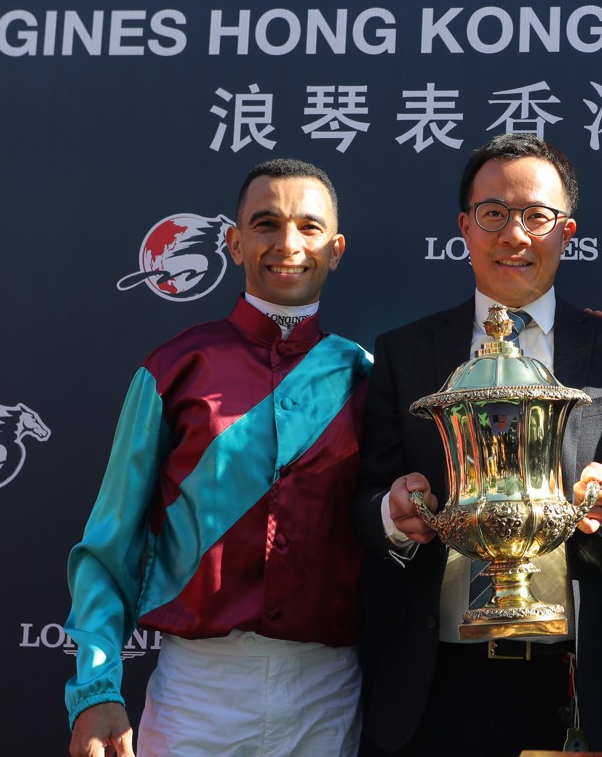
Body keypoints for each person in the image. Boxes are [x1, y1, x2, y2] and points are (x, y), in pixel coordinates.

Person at [351, 133, 602, 756]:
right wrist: (393, 514)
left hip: (575, 680)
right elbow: (366, 498)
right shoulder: (405, 352)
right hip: (435, 680)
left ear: (567, 230)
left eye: (537, 216)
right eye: (494, 214)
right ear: (465, 226)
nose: (515, 235)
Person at [63, 158, 371, 757]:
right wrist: (95, 690)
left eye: (309, 228)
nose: (288, 244)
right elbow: (108, 547)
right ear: (233, 243)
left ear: (335, 249)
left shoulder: (362, 375)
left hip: (329, 689)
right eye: (266, 224)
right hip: (198, 689)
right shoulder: (174, 368)